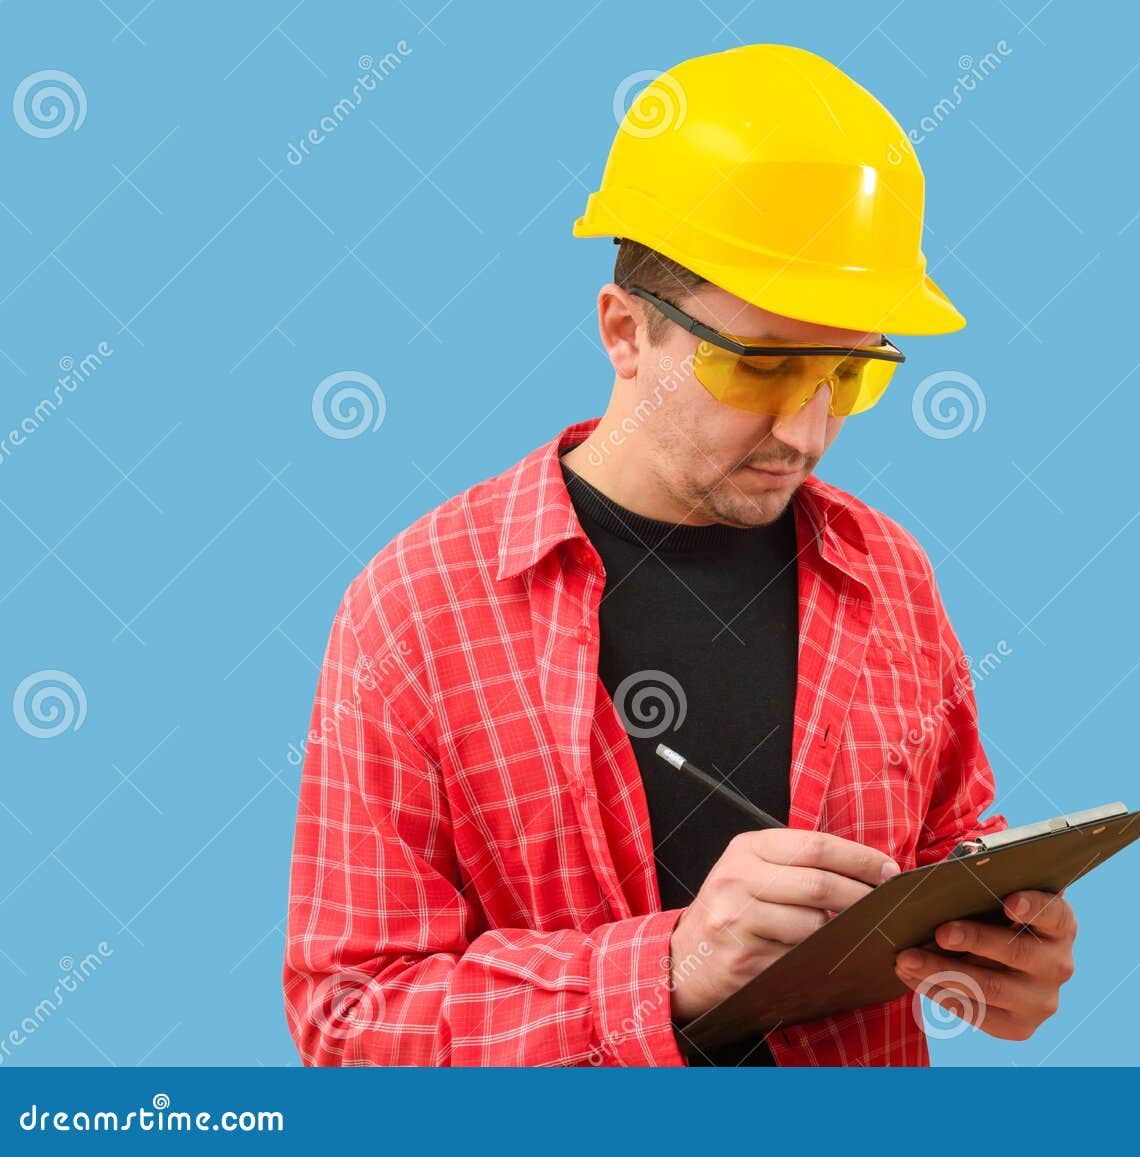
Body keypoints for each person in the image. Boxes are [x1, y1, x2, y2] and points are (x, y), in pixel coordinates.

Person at [282, 42, 1077, 1067]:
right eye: (758, 366)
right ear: (624, 331)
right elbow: (350, 1022)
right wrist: (669, 966)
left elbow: (949, 852)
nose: (806, 429)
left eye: (850, 370)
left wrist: (997, 953)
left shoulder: (888, 573)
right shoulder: (418, 607)